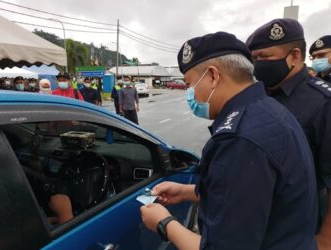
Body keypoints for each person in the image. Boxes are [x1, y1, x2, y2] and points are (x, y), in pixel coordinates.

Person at [140, 32, 317, 250]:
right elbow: (249, 197)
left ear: (213, 76)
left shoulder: (239, 140)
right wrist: (187, 192)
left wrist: (164, 223)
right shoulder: (269, 110)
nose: (190, 93)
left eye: (190, 84)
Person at [246, 18, 331, 249]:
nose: (258, 65)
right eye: (254, 59)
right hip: (262, 212)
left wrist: (326, 238)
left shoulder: (322, 102)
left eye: (264, 57)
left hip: (303, 217)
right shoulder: (259, 94)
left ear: (294, 56)